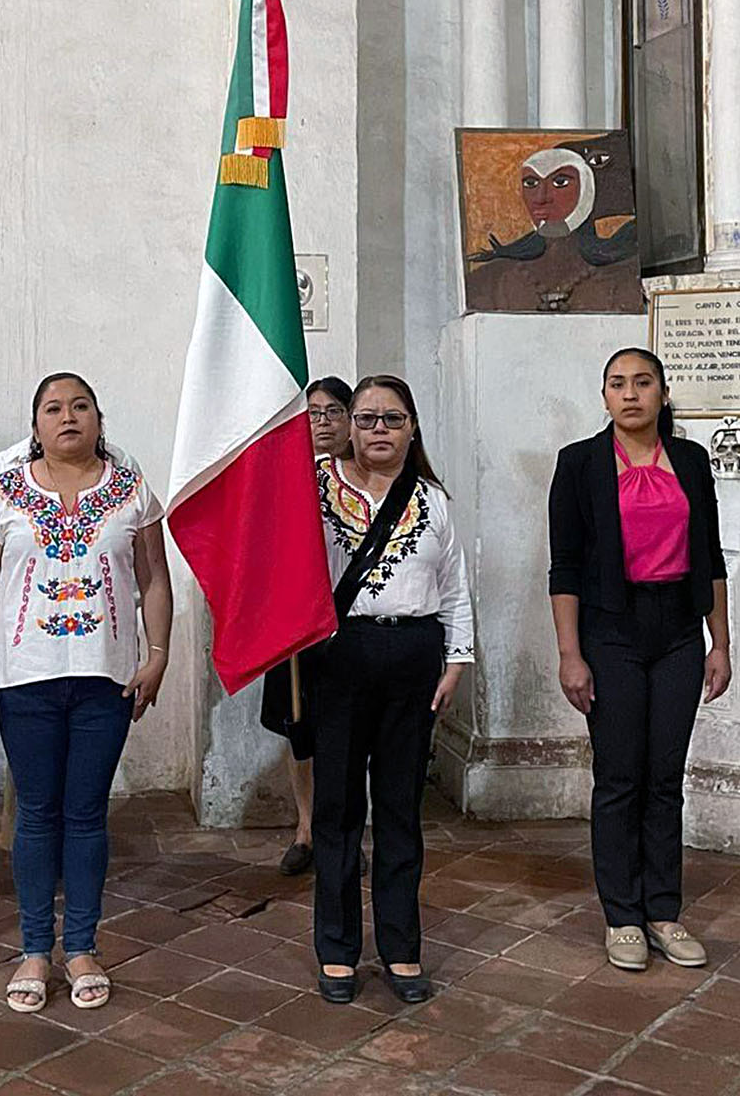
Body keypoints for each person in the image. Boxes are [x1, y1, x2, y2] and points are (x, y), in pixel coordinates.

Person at [0, 373, 173, 1014]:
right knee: (36, 813)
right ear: (36, 426)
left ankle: (81, 946)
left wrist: (158, 654)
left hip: (107, 677)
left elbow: (155, 581)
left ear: (100, 420)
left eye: (80, 406)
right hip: (24, 675)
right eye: (53, 408)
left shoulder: (131, 490)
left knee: (85, 814)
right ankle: (33, 950)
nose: (67, 416)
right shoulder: (5, 489)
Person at [548, 348, 730, 973]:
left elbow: (710, 557)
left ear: (662, 392)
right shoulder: (580, 463)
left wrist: (720, 643)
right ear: (604, 396)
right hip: (610, 632)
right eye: (618, 384)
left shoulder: (691, 461)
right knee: (620, 776)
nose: (630, 394)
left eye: (643, 382)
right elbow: (565, 567)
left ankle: (663, 911)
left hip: (678, 632)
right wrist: (571, 654)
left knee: (665, 777)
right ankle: (622, 915)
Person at [313, 374, 473, 1006]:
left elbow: (454, 587)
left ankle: (402, 947)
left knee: (401, 807)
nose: (379, 429)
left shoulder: (432, 499)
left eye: (393, 419)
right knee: (337, 809)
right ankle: (336, 950)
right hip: (340, 656)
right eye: (367, 418)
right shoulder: (315, 488)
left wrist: (456, 662)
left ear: (412, 429)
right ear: (349, 427)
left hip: (414, 657)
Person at [259, 375, 354, 877]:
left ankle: (346, 830)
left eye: (334, 411)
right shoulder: (287, 479)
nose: (323, 422)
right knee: (301, 731)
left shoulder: (363, 478)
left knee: (349, 734)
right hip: (297, 624)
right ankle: (306, 829)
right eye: (313, 413)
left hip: (349, 621)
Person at [465, 142, 645, 313]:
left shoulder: (623, 275)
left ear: (587, 190)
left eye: (560, 182)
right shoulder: (491, 280)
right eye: (531, 183)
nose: (541, 198)